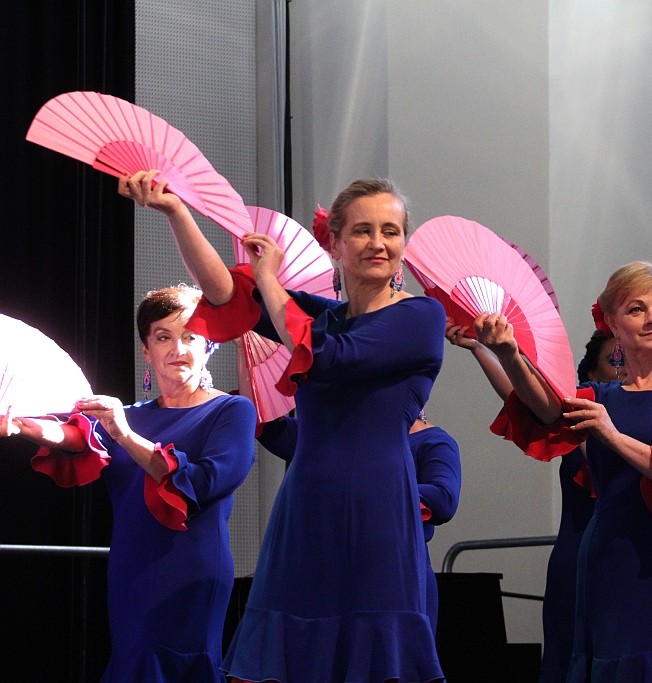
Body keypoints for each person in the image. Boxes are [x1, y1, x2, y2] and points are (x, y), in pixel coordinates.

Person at [120, 171, 446, 682]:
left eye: (391, 230)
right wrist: (176, 212)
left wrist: (270, 279)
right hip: (306, 507)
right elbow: (228, 295)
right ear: (335, 242)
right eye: (362, 231)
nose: (378, 243)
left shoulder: (421, 317)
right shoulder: (326, 317)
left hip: (378, 509)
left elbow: (324, 357)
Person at [471, 260, 652, 681]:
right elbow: (546, 409)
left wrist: (610, 434)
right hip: (608, 557)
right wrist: (508, 353)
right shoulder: (599, 394)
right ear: (611, 322)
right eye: (636, 309)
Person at [0, 285, 257, 682]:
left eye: (190, 336)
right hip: (131, 570)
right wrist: (21, 424)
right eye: (163, 337)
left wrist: (124, 434)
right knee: (134, 663)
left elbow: (204, 483)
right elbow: (78, 440)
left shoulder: (232, 411)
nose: (177, 349)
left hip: (191, 573)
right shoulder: (130, 416)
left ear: (208, 346)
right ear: (146, 350)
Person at [446, 326, 620, 681]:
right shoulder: (578, 412)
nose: (624, 366)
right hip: (576, 563)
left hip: (625, 559)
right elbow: (518, 397)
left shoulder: (645, 414)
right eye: (613, 360)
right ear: (591, 373)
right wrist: (480, 348)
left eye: (626, 357)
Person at [255, 409, 461, 634]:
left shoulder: (434, 442)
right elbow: (271, 426)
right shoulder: (340, 435)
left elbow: (443, 499)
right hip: (333, 576)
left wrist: (368, 488)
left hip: (395, 576)